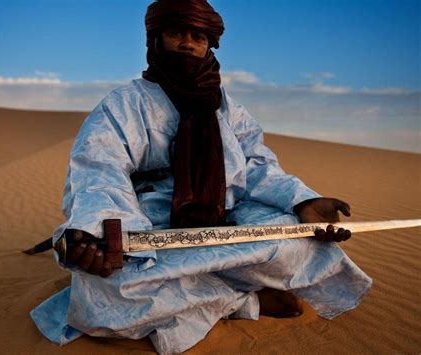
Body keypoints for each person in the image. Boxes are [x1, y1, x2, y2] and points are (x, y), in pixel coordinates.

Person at [30, 1, 372, 353]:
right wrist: (103, 231)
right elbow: (100, 170)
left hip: (227, 216)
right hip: (152, 225)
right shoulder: (124, 104)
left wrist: (304, 201)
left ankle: (199, 290)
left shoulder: (228, 109)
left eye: (198, 36)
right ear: (156, 39)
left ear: (209, 45)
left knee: (302, 241)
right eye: (177, 32)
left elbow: (257, 166)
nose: (188, 44)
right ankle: (243, 301)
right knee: (109, 289)